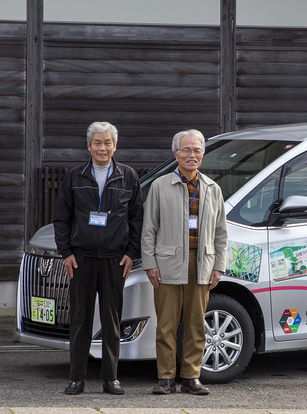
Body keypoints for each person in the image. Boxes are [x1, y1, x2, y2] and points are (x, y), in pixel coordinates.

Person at [53, 121, 143, 396]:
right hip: (81, 259)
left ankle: (111, 378)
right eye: (97, 142)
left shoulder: (128, 177)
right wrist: (66, 253)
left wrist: (131, 253)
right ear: (88, 146)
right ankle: (76, 378)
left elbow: (137, 218)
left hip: (115, 259)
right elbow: (61, 218)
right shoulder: (75, 176)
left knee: (112, 320)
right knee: (80, 319)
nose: (102, 148)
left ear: (115, 146)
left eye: (107, 143)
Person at [141, 129, 229, 396]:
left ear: (203, 154)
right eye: (187, 150)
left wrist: (219, 266)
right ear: (175, 153)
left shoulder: (213, 189)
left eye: (197, 150)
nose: (192, 155)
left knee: (195, 323)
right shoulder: (160, 186)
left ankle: (191, 376)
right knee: (166, 324)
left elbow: (221, 233)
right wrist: (149, 263)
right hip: (167, 264)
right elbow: (148, 230)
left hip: (201, 263)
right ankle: (165, 378)